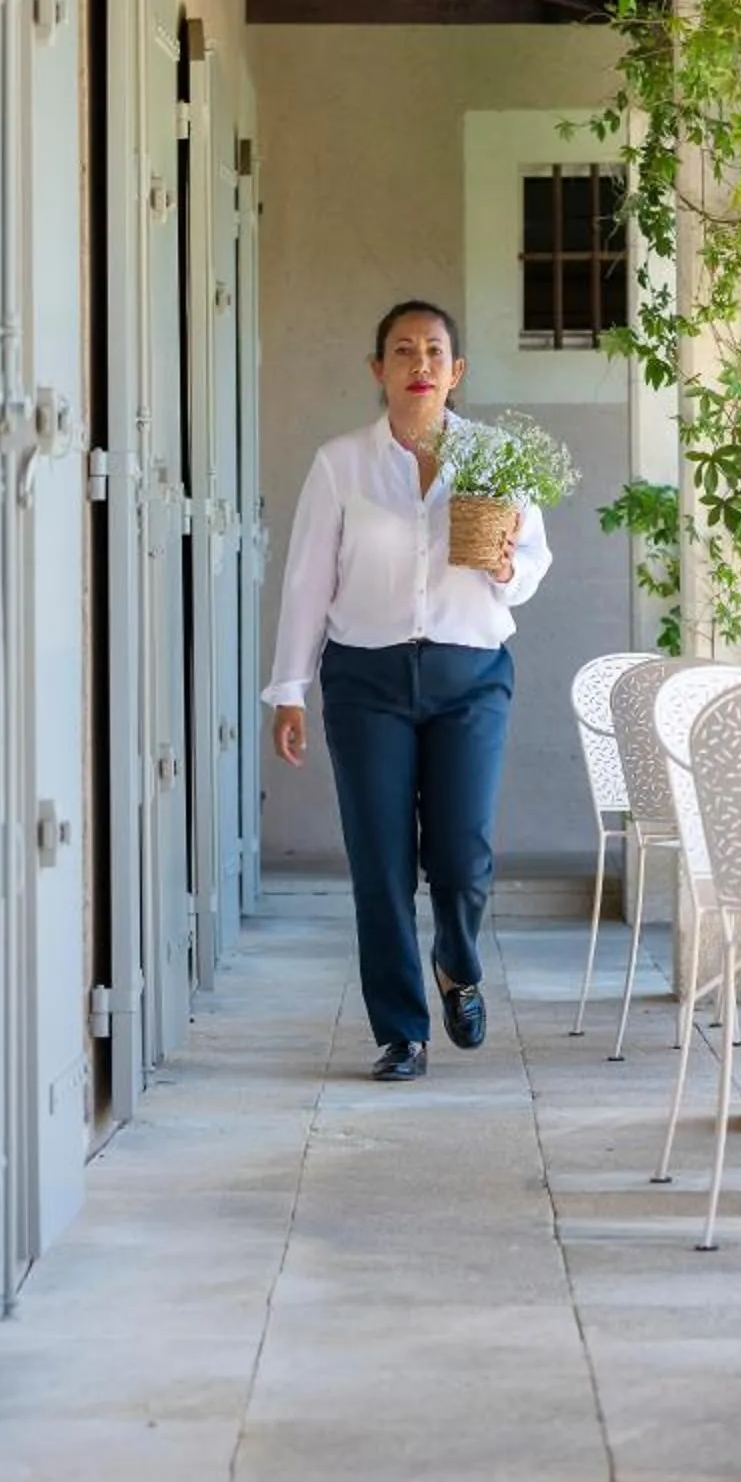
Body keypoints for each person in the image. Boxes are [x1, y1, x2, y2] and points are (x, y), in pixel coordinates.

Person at [265, 300, 551, 1080]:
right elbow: (306, 580)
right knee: (381, 862)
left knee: (462, 856)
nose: (419, 363)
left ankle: (457, 967)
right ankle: (402, 1032)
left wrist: (503, 565)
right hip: (367, 681)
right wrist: (288, 686)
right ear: (378, 371)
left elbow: (530, 567)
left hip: (470, 676)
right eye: (402, 350)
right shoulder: (341, 464)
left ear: (456, 373)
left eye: (434, 351)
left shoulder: (497, 458)